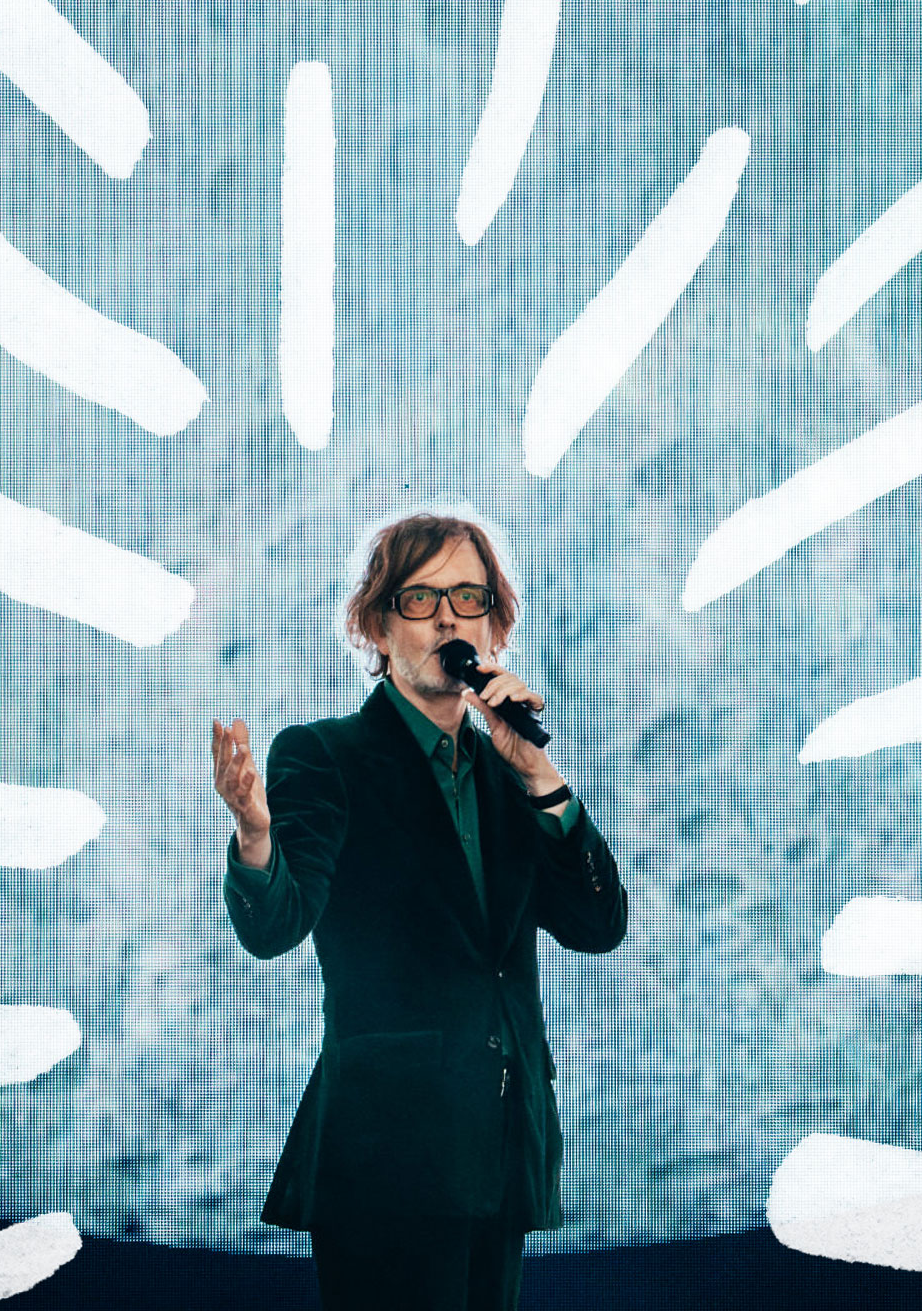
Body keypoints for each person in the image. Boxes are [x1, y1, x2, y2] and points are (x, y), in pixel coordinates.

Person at [212, 511, 629, 1311]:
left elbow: (598, 926)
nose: (447, 618)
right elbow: (274, 926)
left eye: (469, 597)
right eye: (420, 598)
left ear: (494, 625)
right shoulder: (325, 754)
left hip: (503, 1147)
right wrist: (257, 838)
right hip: (386, 1154)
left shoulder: (508, 771)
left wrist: (540, 777)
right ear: (377, 625)